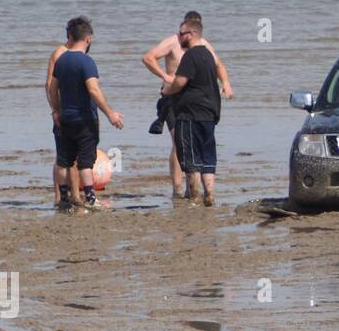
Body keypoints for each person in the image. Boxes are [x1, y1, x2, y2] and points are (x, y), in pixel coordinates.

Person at [141, 11, 233, 198]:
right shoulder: (172, 42)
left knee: (195, 145)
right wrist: (166, 77)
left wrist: (226, 84)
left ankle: (195, 190)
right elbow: (148, 57)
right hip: (173, 98)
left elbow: (219, 66)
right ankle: (177, 189)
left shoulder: (203, 45)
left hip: (196, 103)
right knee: (178, 143)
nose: (182, 34)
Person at [46, 17, 124, 211]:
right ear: (88, 39)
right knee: (85, 162)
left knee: (64, 160)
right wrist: (110, 113)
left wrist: (56, 111)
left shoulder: (61, 59)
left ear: (70, 36)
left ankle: (63, 199)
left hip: (65, 118)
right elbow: (94, 90)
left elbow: (52, 88)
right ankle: (90, 197)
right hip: (84, 119)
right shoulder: (86, 61)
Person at [160, 16, 222, 206]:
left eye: (182, 33)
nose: (178, 37)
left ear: (192, 34)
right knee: (208, 156)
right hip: (209, 114)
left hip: (190, 114)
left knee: (190, 158)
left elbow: (180, 82)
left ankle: (195, 197)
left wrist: (166, 91)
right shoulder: (209, 55)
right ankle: (209, 194)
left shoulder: (191, 56)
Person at [45, 25, 83, 205]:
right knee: (66, 158)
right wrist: (55, 110)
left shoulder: (73, 53)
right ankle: (65, 196)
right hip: (64, 112)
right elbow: (49, 85)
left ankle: (65, 196)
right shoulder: (60, 53)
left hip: (71, 111)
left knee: (66, 156)